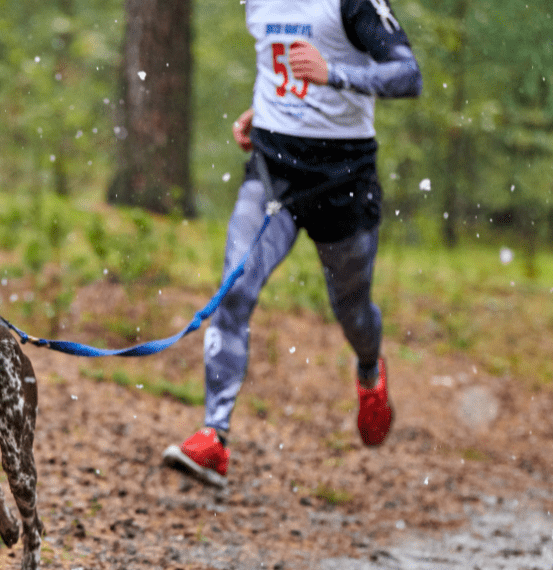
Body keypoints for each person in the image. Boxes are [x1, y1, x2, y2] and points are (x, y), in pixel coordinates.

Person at [161, 0, 422, 488]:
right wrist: (265, 110)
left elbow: (408, 76)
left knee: (352, 309)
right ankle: (214, 437)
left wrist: (334, 75)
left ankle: (370, 370)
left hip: (344, 177)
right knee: (234, 290)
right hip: (273, 169)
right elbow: (280, 65)